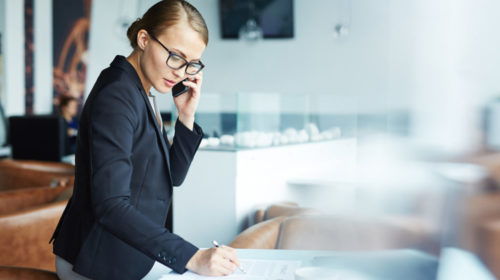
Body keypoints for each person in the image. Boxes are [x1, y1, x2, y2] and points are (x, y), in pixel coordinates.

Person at [50, 1, 241, 279]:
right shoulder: (118, 94)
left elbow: (172, 176)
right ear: (144, 39)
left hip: (127, 256)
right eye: (175, 56)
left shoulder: (141, 91)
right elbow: (111, 204)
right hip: (96, 261)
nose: (180, 72)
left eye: (191, 64)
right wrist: (192, 256)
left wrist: (185, 116)